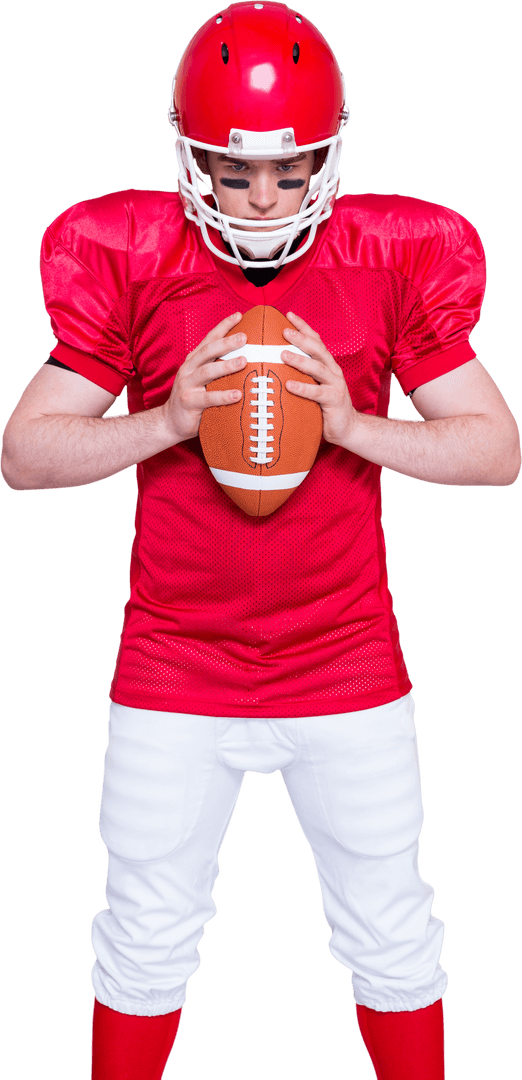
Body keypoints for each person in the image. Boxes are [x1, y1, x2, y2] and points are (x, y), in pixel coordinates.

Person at [1, 3, 519, 1078]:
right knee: (142, 934)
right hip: (174, 664)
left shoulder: (383, 261)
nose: (265, 197)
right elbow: (25, 454)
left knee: (391, 929)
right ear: (191, 159)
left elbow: (495, 450)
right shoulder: (138, 260)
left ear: (328, 157)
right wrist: (167, 421)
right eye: (236, 174)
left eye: (289, 171)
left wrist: (354, 426)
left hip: (346, 661)